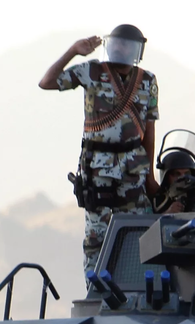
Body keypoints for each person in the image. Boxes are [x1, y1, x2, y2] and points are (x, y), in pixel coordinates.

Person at [39, 26, 160, 274]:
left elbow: (148, 131)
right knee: (97, 238)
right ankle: (95, 293)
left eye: (127, 45)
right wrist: (73, 51)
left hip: (133, 168)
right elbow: (47, 82)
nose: (120, 48)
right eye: (117, 43)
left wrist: (150, 178)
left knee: (139, 231)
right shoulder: (92, 71)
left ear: (137, 49)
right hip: (98, 170)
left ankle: (133, 287)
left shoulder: (147, 81)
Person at [152, 149, 195, 214]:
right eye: (177, 174)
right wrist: (167, 214)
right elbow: (147, 221)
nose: (183, 178)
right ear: (166, 177)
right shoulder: (157, 200)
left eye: (187, 174)